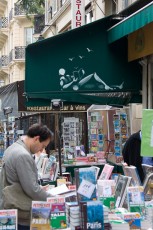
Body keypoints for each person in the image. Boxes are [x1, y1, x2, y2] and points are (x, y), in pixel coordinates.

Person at [0, 123, 53, 230]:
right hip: (22, 213)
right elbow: (32, 189)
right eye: (43, 146)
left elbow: (19, 181)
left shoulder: (12, 148)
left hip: (11, 208)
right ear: (37, 139)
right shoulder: (23, 155)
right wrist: (54, 199)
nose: (41, 150)